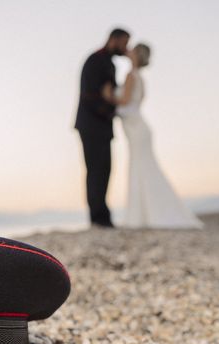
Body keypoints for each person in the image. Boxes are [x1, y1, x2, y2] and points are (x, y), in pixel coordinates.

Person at [103, 44, 203, 228]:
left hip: (136, 128)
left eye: (132, 49)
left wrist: (108, 96)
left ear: (136, 56)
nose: (128, 50)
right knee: (143, 168)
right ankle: (144, 215)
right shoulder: (140, 78)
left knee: (140, 167)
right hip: (139, 128)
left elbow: (124, 102)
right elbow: (135, 103)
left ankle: (142, 217)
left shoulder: (130, 76)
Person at [75, 28, 130, 228]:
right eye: (124, 43)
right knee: (95, 170)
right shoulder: (95, 61)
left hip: (104, 126)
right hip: (90, 125)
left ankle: (103, 215)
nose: (126, 48)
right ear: (114, 40)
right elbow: (88, 94)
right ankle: (97, 218)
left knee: (105, 169)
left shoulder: (111, 64)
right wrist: (110, 110)